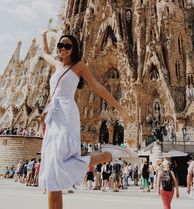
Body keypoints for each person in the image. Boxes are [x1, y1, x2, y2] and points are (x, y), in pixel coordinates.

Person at [39, 32, 128, 209]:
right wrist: (45, 33)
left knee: (58, 160)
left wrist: (119, 108)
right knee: (51, 168)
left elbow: (98, 88)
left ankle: (96, 159)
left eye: (67, 46)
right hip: (52, 115)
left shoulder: (79, 66)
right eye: (60, 46)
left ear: (74, 50)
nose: (63, 49)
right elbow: (43, 53)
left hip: (66, 113)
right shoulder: (57, 66)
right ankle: (94, 159)